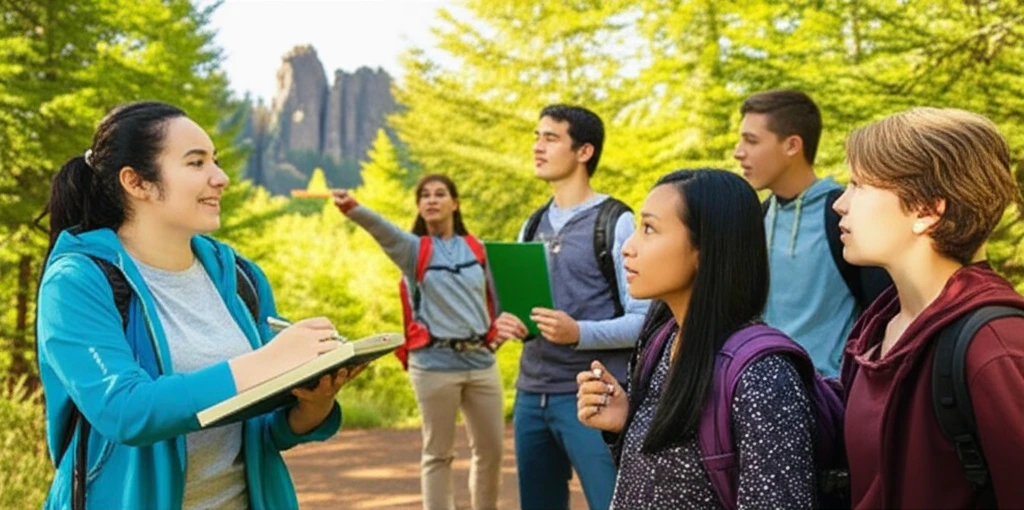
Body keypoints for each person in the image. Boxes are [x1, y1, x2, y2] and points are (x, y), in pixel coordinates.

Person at [36, 101, 358, 509]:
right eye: (196, 163)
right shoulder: (78, 282)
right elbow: (125, 410)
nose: (220, 178)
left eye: (216, 161)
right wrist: (270, 361)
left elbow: (257, 429)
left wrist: (313, 401)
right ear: (137, 182)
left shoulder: (239, 277)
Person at [575, 168, 821, 509]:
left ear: (704, 250)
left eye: (649, 229)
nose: (628, 249)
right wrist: (624, 424)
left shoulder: (762, 377)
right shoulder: (663, 342)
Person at [835, 107, 1024, 508]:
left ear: (927, 210)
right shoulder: (877, 328)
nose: (840, 203)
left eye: (858, 184)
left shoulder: (994, 345)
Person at [493, 104, 649, 510]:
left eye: (550, 137)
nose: (537, 146)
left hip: (595, 395)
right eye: (536, 136)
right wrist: (512, 323)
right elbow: (528, 311)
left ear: (584, 152)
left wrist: (578, 333)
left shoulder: (617, 221)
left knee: (613, 503)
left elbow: (644, 321)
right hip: (531, 396)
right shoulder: (531, 224)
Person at [332, 175, 504, 510]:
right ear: (419, 207)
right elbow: (383, 229)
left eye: (440, 194)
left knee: (491, 451)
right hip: (434, 366)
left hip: (482, 363)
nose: (432, 200)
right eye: (424, 195)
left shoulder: (478, 250)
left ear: (455, 203)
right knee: (438, 454)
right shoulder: (414, 250)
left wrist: (500, 333)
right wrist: (353, 208)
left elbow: (497, 301)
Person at [733, 89, 891, 377]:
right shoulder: (756, 218)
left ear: (792, 145)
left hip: (828, 399)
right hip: (761, 391)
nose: (738, 151)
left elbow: (884, 313)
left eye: (751, 140)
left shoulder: (844, 215)